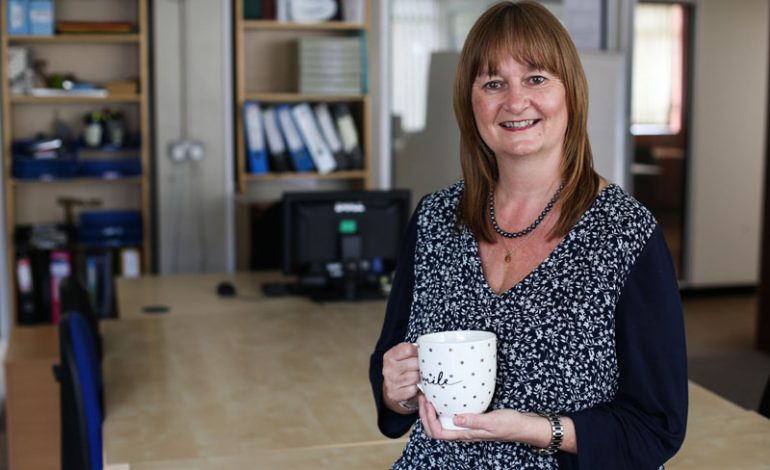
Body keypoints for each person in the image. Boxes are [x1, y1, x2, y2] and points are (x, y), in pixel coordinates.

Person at [368, 1, 688, 468]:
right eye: (493, 83)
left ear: (570, 92)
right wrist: (395, 392)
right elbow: (394, 378)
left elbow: (657, 427)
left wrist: (536, 429)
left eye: (536, 79)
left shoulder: (626, 234)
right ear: (470, 103)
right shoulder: (435, 219)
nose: (515, 102)